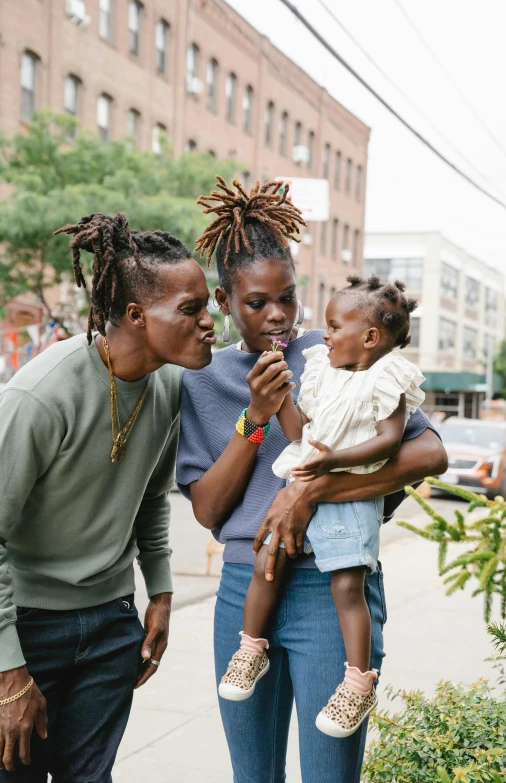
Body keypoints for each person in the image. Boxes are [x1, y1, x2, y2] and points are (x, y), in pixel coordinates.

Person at [176, 177, 448, 782]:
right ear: (225, 301)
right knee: (254, 774)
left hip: (332, 587)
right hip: (247, 588)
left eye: (289, 298)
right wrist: (256, 417)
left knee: (329, 772)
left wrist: (311, 491)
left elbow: (429, 453)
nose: (278, 315)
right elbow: (208, 511)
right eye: (256, 302)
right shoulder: (202, 380)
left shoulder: (337, 353)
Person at [0, 212, 216, 781]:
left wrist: (160, 593)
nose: (210, 323)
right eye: (191, 309)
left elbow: (150, 498)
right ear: (136, 316)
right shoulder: (41, 395)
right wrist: (10, 675)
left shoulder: (168, 385)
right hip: (24, 625)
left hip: (112, 626)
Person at [218, 274, 425, 742]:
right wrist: (278, 395)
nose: (324, 334)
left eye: (334, 327)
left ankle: (357, 682)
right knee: (266, 561)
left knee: (348, 584)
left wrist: (334, 461)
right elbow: (299, 433)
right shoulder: (320, 369)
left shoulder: (388, 376)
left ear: (370, 338)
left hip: (348, 493)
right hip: (303, 478)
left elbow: (390, 441)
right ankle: (251, 649)